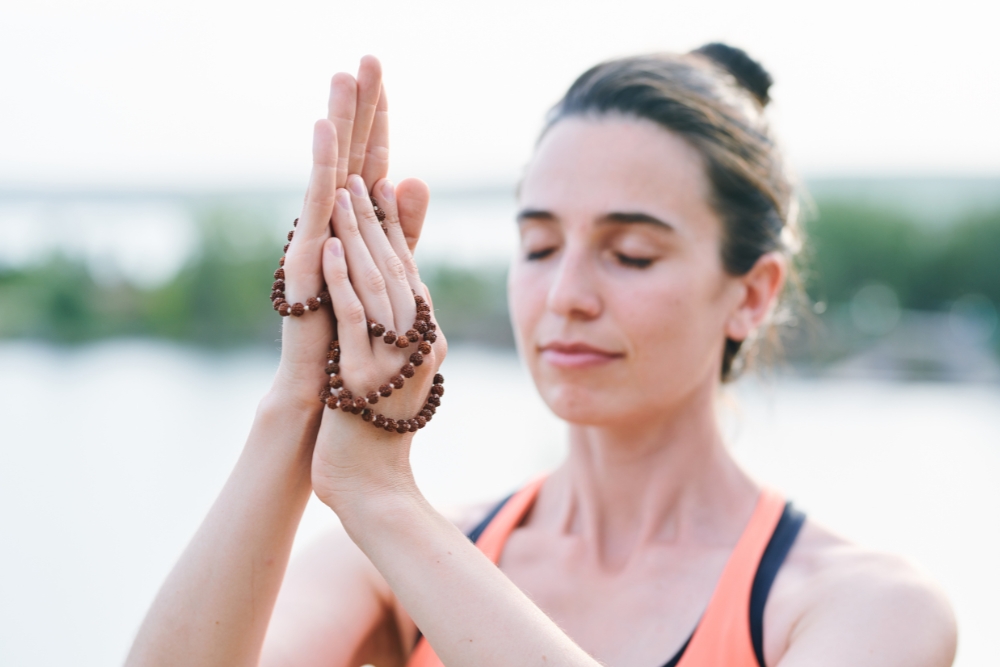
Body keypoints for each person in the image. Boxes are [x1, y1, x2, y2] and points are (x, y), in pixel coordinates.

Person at [126, 46, 957, 667]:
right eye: (538, 245)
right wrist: (297, 401)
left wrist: (383, 495)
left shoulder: (860, 609)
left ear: (752, 292)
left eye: (630, 254)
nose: (566, 293)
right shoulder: (387, 572)